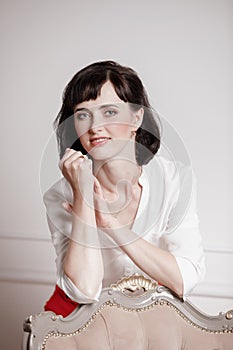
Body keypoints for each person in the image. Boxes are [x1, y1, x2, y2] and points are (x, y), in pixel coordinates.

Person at [43, 61, 205, 317]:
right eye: (83, 114)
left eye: (109, 112)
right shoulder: (59, 195)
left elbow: (185, 279)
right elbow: (83, 290)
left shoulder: (176, 180)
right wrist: (84, 197)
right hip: (84, 328)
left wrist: (112, 227)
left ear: (136, 117)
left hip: (154, 323)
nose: (95, 127)